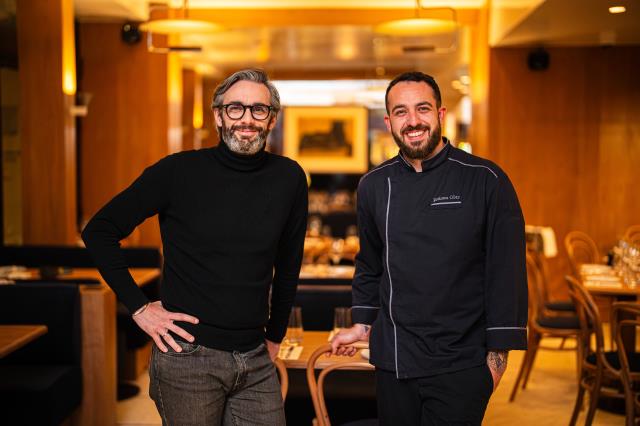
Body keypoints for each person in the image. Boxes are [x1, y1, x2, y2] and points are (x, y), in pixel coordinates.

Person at [82, 69, 308, 425]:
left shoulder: (290, 177)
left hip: (256, 356)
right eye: (235, 108)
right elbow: (99, 230)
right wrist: (139, 307)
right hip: (187, 355)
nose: (246, 119)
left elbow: (289, 264)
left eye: (258, 110)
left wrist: (275, 335)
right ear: (218, 115)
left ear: (272, 119)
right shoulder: (177, 172)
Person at [330, 71, 527, 425]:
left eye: (422, 109)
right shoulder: (374, 185)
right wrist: (362, 325)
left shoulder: (486, 180)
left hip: (460, 364)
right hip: (394, 362)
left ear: (440, 114)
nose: (413, 121)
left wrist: (494, 365)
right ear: (390, 121)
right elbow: (370, 264)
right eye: (402, 112)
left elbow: (506, 274)